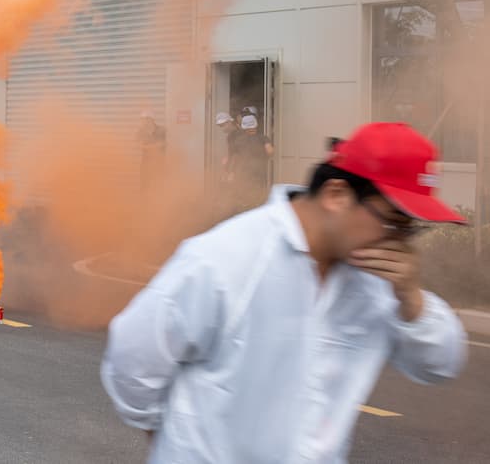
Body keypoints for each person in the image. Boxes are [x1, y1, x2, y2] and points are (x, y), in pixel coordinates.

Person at [101, 122, 467, 463]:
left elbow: (440, 365)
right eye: (393, 221)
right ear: (337, 195)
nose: (400, 241)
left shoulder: (378, 283)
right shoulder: (227, 257)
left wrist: (412, 299)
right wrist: (172, 444)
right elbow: (134, 358)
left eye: (411, 229)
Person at [229, 114, 274, 204]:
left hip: (243, 171)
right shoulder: (263, 138)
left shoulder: (238, 140)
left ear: (243, 127)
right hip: (259, 171)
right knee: (258, 194)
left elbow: (234, 157)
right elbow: (270, 151)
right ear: (256, 125)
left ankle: (245, 207)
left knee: (244, 194)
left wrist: (231, 172)